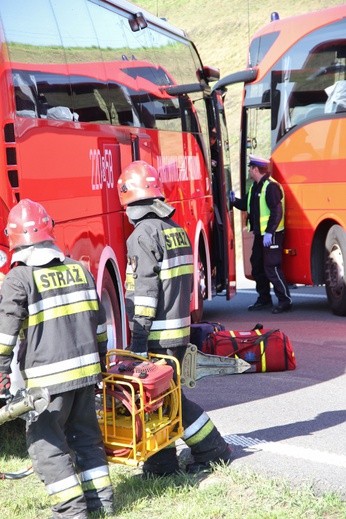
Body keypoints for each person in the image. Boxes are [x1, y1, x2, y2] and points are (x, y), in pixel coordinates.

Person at [0, 199, 114, 518]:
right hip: (87, 374)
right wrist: (101, 366)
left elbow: (4, 338)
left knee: (45, 445)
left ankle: (72, 511)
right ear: (49, 231)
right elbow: (100, 325)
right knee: (86, 437)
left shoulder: (19, 279)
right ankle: (101, 503)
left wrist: (1, 374)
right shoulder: (79, 270)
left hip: (47, 384)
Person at [117, 160, 232, 476]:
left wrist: (138, 342)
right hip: (179, 332)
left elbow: (144, 296)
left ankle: (212, 450)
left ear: (129, 200)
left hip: (156, 337)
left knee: (166, 400)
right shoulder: (176, 230)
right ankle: (162, 463)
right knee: (158, 399)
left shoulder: (142, 235)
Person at [230, 155, 292, 314]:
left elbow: (277, 212)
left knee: (272, 267)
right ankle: (264, 299)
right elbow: (246, 204)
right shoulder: (255, 187)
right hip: (260, 234)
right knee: (257, 265)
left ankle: (285, 300)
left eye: (250, 168)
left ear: (256, 169)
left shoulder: (271, 187)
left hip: (272, 235)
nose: (249, 171)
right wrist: (233, 200)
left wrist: (270, 233)